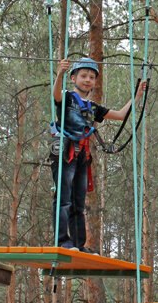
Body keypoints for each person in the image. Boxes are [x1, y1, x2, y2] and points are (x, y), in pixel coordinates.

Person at [51, 57, 144, 251]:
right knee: (64, 197)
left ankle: (78, 243)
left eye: (91, 77)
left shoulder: (93, 107)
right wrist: (60, 72)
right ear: (74, 78)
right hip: (65, 151)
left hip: (82, 154)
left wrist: (136, 97)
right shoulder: (67, 97)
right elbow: (56, 95)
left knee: (78, 201)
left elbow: (119, 115)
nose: (87, 80)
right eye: (83, 76)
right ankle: (62, 240)